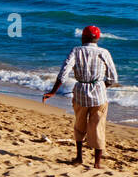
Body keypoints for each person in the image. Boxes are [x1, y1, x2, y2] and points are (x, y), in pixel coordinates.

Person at [43, 25, 119, 168]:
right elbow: (113, 78)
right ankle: (97, 163)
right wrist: (102, 87)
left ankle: (79, 158)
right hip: (99, 96)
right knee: (98, 127)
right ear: (98, 38)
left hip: (80, 93)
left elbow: (63, 73)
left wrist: (53, 91)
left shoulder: (76, 51)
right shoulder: (104, 52)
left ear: (83, 37)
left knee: (79, 125)